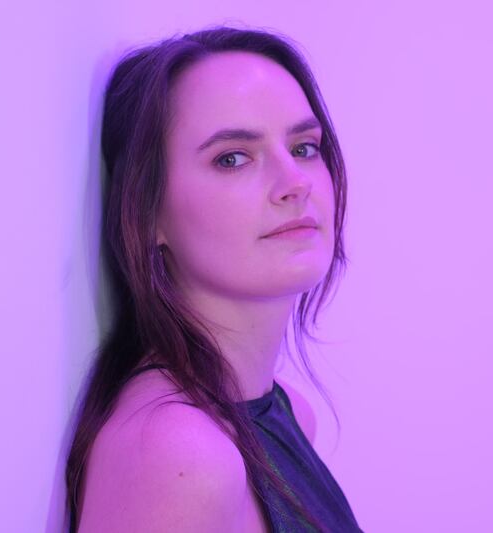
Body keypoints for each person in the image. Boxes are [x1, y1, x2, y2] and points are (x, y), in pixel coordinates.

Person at [64, 25, 361, 533]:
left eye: (304, 148)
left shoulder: (285, 413)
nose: (295, 183)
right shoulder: (179, 453)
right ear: (147, 212)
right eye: (232, 158)